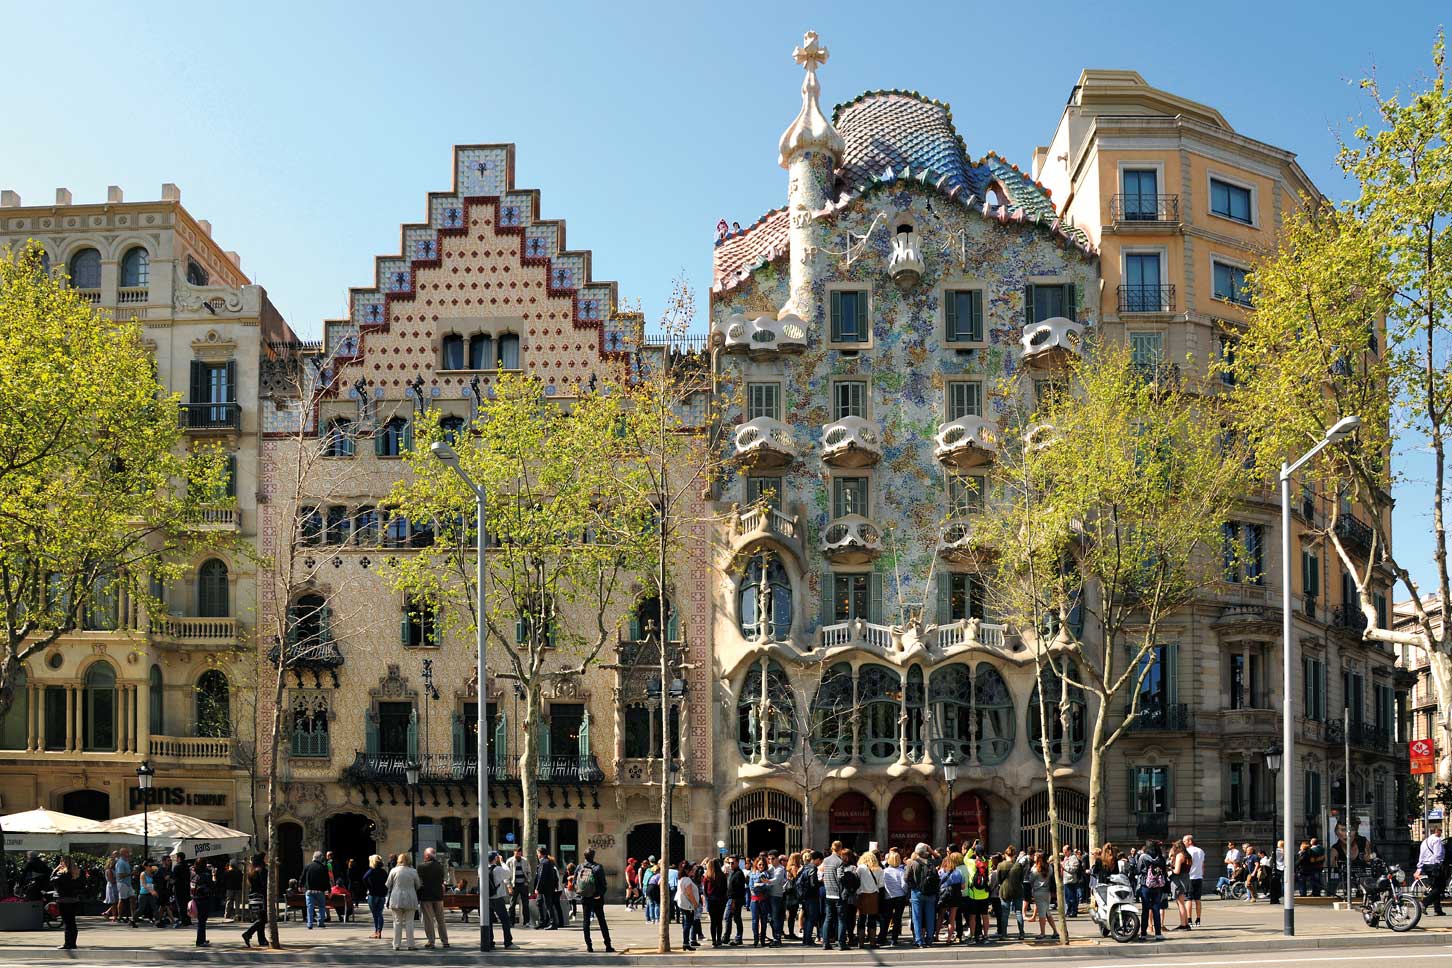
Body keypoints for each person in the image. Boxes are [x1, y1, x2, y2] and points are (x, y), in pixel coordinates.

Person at [575, 847, 613, 952]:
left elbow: (575, 882)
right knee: (602, 921)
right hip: (597, 898)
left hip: (585, 898)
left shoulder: (579, 867)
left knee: (586, 922)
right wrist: (599, 894)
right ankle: (608, 945)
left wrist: (581, 893)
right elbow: (603, 884)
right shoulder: (598, 867)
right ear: (593, 856)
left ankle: (589, 946)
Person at [905, 842, 939, 948]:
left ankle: (919, 940)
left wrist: (914, 886)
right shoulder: (931, 862)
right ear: (926, 852)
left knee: (917, 917)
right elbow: (939, 858)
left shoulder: (912, 863)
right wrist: (930, 849)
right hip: (930, 893)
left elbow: (906, 878)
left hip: (917, 892)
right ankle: (929, 939)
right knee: (930, 916)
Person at [384, 852, 421, 950]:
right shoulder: (413, 871)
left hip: (396, 898)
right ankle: (410, 944)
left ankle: (396, 944)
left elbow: (388, 884)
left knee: (397, 922)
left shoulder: (393, 870)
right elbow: (418, 885)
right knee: (410, 922)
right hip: (410, 897)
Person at [415, 846, 449, 949]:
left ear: (426, 856)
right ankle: (445, 941)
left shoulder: (421, 866)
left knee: (428, 920)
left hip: (426, 896)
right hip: (438, 895)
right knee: (441, 920)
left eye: (424, 855)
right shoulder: (440, 866)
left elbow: (418, 881)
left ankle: (431, 941)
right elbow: (443, 879)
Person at [1134, 840, 1167, 941]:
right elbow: (1164, 870)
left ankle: (1143, 933)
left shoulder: (1143, 857)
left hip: (1145, 885)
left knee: (1145, 910)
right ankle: (1158, 933)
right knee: (1156, 908)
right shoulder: (1160, 857)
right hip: (1157, 885)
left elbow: (1138, 870)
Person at [483, 851, 514, 950]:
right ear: (495, 859)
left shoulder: (481, 869)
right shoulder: (498, 869)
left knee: (489, 921)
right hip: (497, 898)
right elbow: (509, 873)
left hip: (486, 899)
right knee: (505, 920)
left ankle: (490, 942)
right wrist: (502, 862)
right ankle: (508, 942)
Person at [51, 854, 80, 950]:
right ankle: (73, 943)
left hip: (63, 899)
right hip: (74, 899)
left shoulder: (61, 874)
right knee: (72, 922)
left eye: (61, 861)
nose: (60, 863)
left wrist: (55, 869)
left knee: (67, 922)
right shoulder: (76, 873)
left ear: (64, 862)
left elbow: (51, 880)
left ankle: (67, 943)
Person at [1416, 823, 1446, 916]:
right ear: (1437, 831)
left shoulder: (1424, 842)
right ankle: (1424, 903)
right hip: (1435, 866)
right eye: (1441, 830)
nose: (1441, 832)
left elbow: (1421, 856)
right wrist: (1440, 864)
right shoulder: (1437, 840)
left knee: (1435, 887)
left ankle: (1438, 909)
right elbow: (1438, 854)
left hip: (1426, 866)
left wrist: (1419, 869)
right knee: (1440, 887)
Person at [820, 840, 845, 949]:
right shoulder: (839, 861)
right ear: (840, 849)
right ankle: (841, 943)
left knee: (828, 918)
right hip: (838, 893)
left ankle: (825, 943)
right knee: (841, 919)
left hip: (828, 892)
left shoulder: (825, 860)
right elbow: (840, 877)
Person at [996, 845, 1024, 941]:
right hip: (1017, 890)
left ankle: (1004, 934)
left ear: (1005, 854)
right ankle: (1021, 933)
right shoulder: (1018, 865)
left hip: (1005, 890)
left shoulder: (1000, 865)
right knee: (1019, 912)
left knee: (1005, 913)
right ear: (1014, 855)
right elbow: (1022, 879)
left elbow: (998, 880)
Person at [855, 849, 882, 947]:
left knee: (861, 918)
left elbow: (856, 881)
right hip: (874, 895)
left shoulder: (860, 868)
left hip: (862, 895)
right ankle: (872, 942)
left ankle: (861, 942)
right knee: (872, 919)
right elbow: (881, 884)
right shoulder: (879, 869)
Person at [241, 854, 268, 948]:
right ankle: (248, 933)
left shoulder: (251, 871)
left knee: (261, 918)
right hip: (262, 897)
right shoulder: (262, 871)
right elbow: (264, 885)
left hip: (254, 897)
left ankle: (262, 939)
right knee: (263, 919)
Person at [1025, 852, 1053, 940]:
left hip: (1038, 891)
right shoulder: (1049, 867)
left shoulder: (1036, 869)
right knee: (1047, 912)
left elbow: (1031, 879)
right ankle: (1055, 931)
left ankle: (1042, 933)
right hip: (1047, 891)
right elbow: (1051, 875)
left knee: (1042, 913)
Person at [534, 846, 563, 929]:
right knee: (540, 903)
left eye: (537, 853)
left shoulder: (544, 862)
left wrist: (537, 888)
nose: (537, 855)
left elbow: (541, 877)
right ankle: (542, 922)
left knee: (548, 905)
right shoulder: (546, 862)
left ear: (540, 853)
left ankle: (552, 923)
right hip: (547, 888)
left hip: (545, 888)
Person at [797, 851, 821, 945]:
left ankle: (805, 939)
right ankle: (808, 939)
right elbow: (813, 883)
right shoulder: (813, 868)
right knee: (811, 918)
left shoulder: (804, 867)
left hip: (803, 895)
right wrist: (820, 882)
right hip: (811, 896)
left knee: (806, 917)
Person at [301, 850, 330, 929]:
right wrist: (329, 890)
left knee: (310, 907)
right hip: (320, 891)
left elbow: (302, 877)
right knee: (321, 906)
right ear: (320, 858)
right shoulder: (323, 867)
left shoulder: (307, 866)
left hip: (309, 891)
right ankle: (321, 922)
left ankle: (310, 924)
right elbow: (327, 880)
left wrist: (300, 886)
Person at [675, 861, 700, 951]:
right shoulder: (687, 880)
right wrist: (695, 904)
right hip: (688, 905)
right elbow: (689, 893)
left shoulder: (681, 879)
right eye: (691, 870)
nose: (693, 872)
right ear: (686, 870)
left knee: (686, 923)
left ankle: (686, 942)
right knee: (688, 924)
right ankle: (686, 943)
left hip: (683, 904)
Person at [361, 854, 388, 938]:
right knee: (380, 913)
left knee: (375, 913)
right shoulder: (383, 871)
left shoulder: (371, 870)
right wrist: (385, 890)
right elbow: (387, 882)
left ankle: (376, 931)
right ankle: (379, 931)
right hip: (382, 894)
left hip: (373, 894)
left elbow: (364, 878)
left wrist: (369, 887)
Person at [704, 857, 728, 948]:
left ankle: (714, 941)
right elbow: (725, 889)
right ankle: (719, 940)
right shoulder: (722, 876)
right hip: (721, 900)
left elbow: (705, 891)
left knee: (713, 922)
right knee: (719, 921)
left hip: (711, 900)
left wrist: (707, 899)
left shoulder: (707, 877)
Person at [1168, 841, 1191, 930]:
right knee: (1182, 903)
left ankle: (1183, 924)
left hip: (1179, 880)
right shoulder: (1188, 855)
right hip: (1186, 878)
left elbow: (1177, 871)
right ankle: (1186, 923)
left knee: (1180, 903)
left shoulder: (1179, 855)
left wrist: (1170, 869)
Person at [1183, 835, 1205, 925]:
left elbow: (1187, 864)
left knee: (1188, 899)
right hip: (1199, 877)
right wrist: (1201, 874)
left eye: (1185, 841)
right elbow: (1203, 865)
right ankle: (1198, 920)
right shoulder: (1201, 851)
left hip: (1190, 877)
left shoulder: (1187, 851)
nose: (1183, 843)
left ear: (1190, 841)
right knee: (1198, 899)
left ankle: (1189, 919)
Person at [191, 858, 214, 947]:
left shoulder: (194, 875)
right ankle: (200, 941)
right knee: (202, 921)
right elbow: (212, 886)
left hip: (195, 899)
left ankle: (202, 939)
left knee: (201, 921)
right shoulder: (206, 876)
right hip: (204, 899)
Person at [506, 848, 531, 928]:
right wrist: (509, 886)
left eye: (520, 854)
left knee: (525, 904)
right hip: (514, 885)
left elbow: (529, 872)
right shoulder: (509, 861)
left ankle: (526, 922)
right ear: (514, 853)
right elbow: (506, 875)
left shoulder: (525, 860)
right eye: (517, 854)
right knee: (512, 904)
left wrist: (528, 881)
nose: (518, 856)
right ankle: (511, 922)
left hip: (523, 885)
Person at [725, 855, 746, 944]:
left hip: (735, 899)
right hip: (732, 899)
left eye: (732, 863)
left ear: (737, 863)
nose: (730, 864)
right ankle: (729, 937)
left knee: (731, 917)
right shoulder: (733, 872)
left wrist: (733, 901)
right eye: (729, 863)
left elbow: (737, 890)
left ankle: (734, 937)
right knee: (733, 918)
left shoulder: (738, 874)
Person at [173, 851, 192, 927]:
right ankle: (188, 920)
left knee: (180, 905)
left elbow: (174, 878)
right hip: (186, 887)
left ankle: (183, 920)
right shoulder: (187, 866)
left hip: (178, 888)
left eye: (176, 857)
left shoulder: (177, 866)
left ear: (179, 858)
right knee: (187, 904)